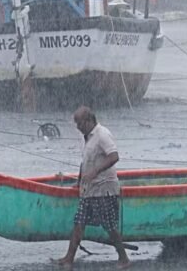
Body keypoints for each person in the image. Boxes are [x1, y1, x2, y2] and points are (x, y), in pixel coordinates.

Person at [54, 106, 130, 270]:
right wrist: (80, 181)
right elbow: (85, 162)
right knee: (79, 223)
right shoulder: (86, 137)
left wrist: (96, 171)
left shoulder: (102, 135)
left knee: (110, 226)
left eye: (80, 123)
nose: (77, 127)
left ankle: (123, 258)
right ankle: (68, 258)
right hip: (89, 189)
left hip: (105, 189)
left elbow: (114, 156)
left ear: (89, 121)